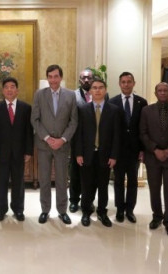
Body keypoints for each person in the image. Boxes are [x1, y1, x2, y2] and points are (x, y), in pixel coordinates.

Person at [30, 64, 78, 225]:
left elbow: (73, 121)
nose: (53, 80)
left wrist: (62, 139)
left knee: (62, 180)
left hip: (63, 145)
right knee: (44, 179)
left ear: (61, 77)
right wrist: (47, 138)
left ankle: (62, 211)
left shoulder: (71, 95)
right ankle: (45, 210)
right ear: (47, 78)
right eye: (50, 77)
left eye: (56, 76)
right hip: (44, 145)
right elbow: (34, 119)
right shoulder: (39, 95)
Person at [139, 82, 168, 238]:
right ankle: (157, 216)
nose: (163, 92)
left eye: (166, 90)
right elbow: (143, 133)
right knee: (154, 189)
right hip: (153, 157)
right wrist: (155, 149)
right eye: (160, 90)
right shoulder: (146, 110)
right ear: (155, 93)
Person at [75, 78, 121, 227]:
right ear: (90, 91)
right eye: (94, 88)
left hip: (105, 155)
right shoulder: (82, 110)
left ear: (105, 90)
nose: (98, 90)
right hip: (87, 154)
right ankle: (86, 212)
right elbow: (78, 134)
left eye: (101, 87)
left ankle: (102, 212)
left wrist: (114, 155)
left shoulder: (113, 110)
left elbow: (116, 136)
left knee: (103, 185)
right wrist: (78, 153)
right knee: (86, 185)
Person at [0, 77, 33, 222]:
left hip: (19, 152)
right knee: (1, 182)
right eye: (6, 87)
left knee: (18, 182)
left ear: (17, 90)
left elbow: (28, 132)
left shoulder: (26, 108)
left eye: (12, 87)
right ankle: (0, 210)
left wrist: (28, 151)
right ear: (3, 91)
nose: (9, 89)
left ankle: (18, 209)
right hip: (1, 154)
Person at [109, 72, 147, 223]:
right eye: (123, 82)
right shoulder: (112, 102)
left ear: (134, 83)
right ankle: (119, 209)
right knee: (118, 181)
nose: (126, 84)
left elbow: (144, 128)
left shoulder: (142, 102)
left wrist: (142, 150)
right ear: (119, 84)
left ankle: (130, 209)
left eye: (129, 81)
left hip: (134, 150)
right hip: (117, 150)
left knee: (132, 181)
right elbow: (110, 129)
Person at [68, 69, 93, 214]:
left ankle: (88, 200)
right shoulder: (73, 96)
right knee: (76, 172)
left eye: (89, 78)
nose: (86, 80)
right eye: (84, 78)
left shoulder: (101, 94)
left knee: (90, 173)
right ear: (79, 80)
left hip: (94, 141)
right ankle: (74, 201)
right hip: (77, 139)